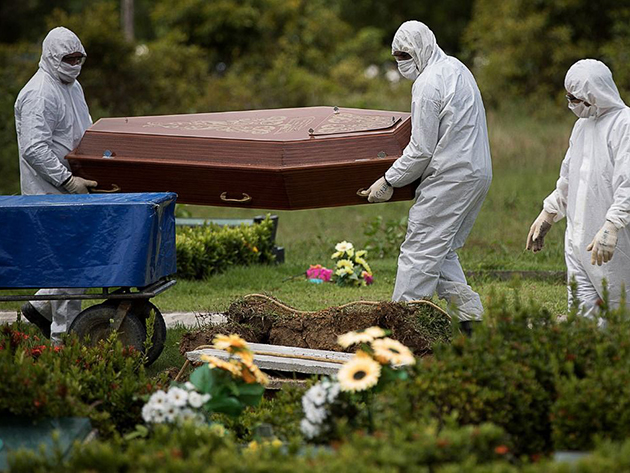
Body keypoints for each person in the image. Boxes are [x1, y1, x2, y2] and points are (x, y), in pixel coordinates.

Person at [365, 21, 492, 335]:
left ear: (421, 48)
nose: (402, 62)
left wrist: (388, 180)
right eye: (396, 57)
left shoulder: (427, 84)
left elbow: (421, 149)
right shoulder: (457, 69)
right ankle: (469, 323)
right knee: (442, 248)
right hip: (476, 172)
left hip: (451, 175)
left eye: (405, 55)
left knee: (420, 248)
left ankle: (405, 327)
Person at [526, 59, 630, 319]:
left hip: (612, 241)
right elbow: (570, 178)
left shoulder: (624, 124)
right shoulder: (582, 126)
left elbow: (627, 182)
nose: (570, 103)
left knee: (621, 311)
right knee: (584, 318)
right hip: (578, 239)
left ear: (594, 95)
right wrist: (548, 213)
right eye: (568, 97)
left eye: (575, 98)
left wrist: (612, 225)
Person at [14, 26, 97, 343]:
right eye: (68, 57)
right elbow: (34, 148)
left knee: (77, 259)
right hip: (49, 193)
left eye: (78, 57)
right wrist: (67, 179)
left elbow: (81, 129)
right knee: (68, 265)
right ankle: (63, 339)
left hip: (72, 188)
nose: (74, 63)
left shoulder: (72, 86)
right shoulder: (39, 93)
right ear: (51, 56)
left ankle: (38, 307)